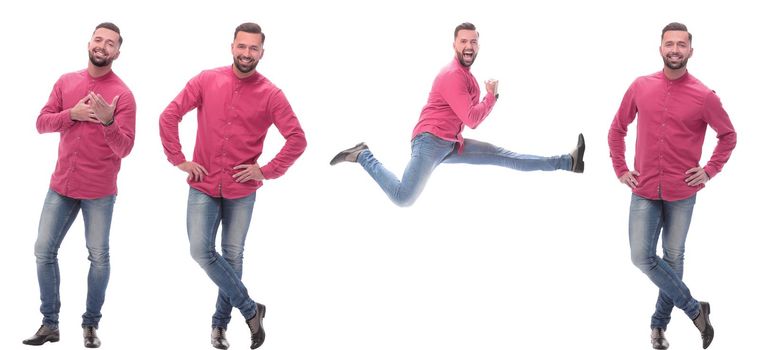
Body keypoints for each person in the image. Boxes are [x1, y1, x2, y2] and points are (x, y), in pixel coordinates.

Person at [159, 22, 306, 350]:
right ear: (232, 47)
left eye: (254, 48)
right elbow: (169, 115)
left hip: (242, 190)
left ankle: (219, 326)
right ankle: (252, 310)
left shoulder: (271, 94)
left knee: (233, 255)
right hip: (203, 183)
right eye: (242, 46)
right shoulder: (206, 79)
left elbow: (297, 139)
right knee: (200, 250)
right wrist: (178, 158)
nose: (247, 53)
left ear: (262, 53)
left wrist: (265, 171)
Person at [330, 22, 584, 207]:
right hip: (429, 142)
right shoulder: (452, 76)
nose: (469, 46)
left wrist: (487, 98)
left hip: (451, 144)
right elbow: (472, 119)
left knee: (506, 157)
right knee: (403, 198)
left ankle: (568, 162)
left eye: (473, 41)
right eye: (463, 41)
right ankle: (363, 155)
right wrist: (490, 97)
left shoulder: (468, 78)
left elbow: (470, 114)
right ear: (454, 45)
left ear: (478, 46)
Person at [608, 22, 736, 350]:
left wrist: (709, 171)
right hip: (644, 188)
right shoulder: (640, 86)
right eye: (669, 44)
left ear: (691, 50)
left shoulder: (704, 96)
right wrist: (621, 168)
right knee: (641, 256)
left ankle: (657, 326)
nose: (675, 50)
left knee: (674, 256)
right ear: (660, 48)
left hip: (682, 191)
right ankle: (695, 310)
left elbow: (728, 135)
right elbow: (617, 129)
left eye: (681, 44)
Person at [23, 22, 136, 348]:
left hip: (99, 190)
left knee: (98, 257)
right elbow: (42, 123)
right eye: (98, 39)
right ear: (89, 43)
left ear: (117, 52)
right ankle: (50, 324)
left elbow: (125, 149)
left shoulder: (123, 95)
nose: (102, 46)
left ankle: (90, 325)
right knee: (43, 250)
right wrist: (70, 114)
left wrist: (108, 121)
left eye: (110, 43)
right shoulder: (66, 81)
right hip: (61, 185)